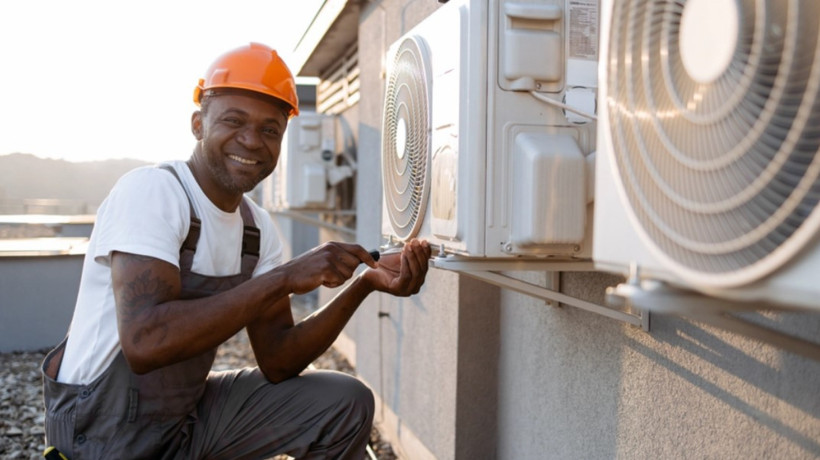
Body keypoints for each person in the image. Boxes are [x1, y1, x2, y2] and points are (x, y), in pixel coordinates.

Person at [41, 42, 432, 459]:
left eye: (270, 130)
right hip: (102, 434)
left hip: (182, 421)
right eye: (234, 120)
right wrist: (284, 278)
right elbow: (144, 342)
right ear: (198, 124)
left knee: (344, 402)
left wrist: (363, 284)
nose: (251, 140)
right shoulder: (155, 192)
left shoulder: (256, 230)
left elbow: (278, 360)